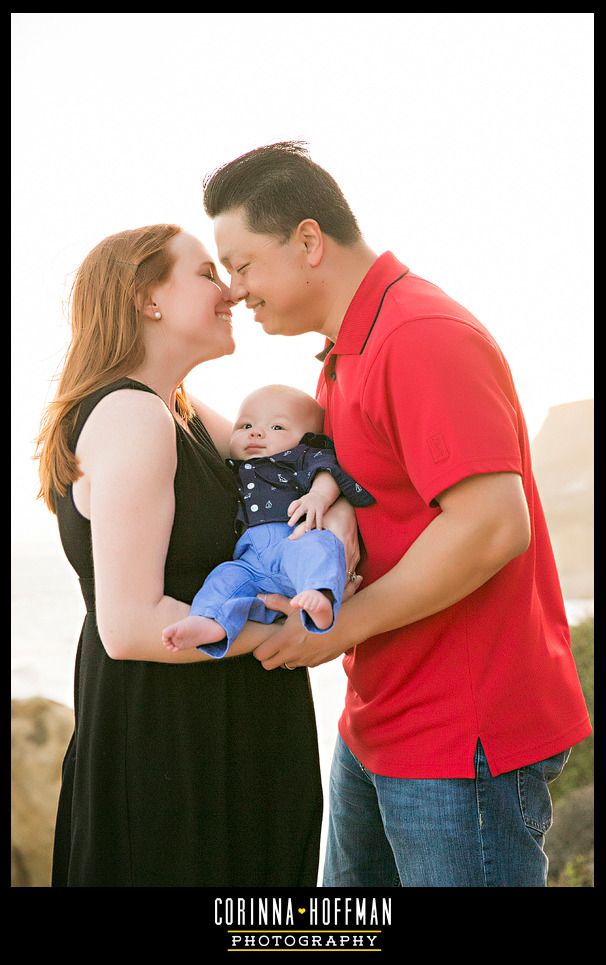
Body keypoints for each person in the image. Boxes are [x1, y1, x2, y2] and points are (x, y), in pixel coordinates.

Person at [201, 141, 592, 888]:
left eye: (243, 264)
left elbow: (491, 525)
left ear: (308, 241)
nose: (235, 290)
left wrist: (342, 625)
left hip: (461, 738)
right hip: (383, 711)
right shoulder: (347, 350)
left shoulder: (418, 335)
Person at [35, 223, 360, 887]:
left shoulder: (177, 410)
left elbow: (296, 459)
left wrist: (339, 508)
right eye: (208, 273)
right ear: (146, 298)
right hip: (175, 746)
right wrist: (288, 632)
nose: (231, 292)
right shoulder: (133, 417)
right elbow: (128, 627)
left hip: (221, 732)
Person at [161, 383, 374, 656]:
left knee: (318, 547)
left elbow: (327, 471)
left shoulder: (300, 457)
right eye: (245, 425)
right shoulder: (231, 468)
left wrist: (319, 496)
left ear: (308, 439)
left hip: (294, 542)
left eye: (277, 427)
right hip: (251, 562)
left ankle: (320, 596)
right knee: (225, 577)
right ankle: (210, 621)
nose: (256, 432)